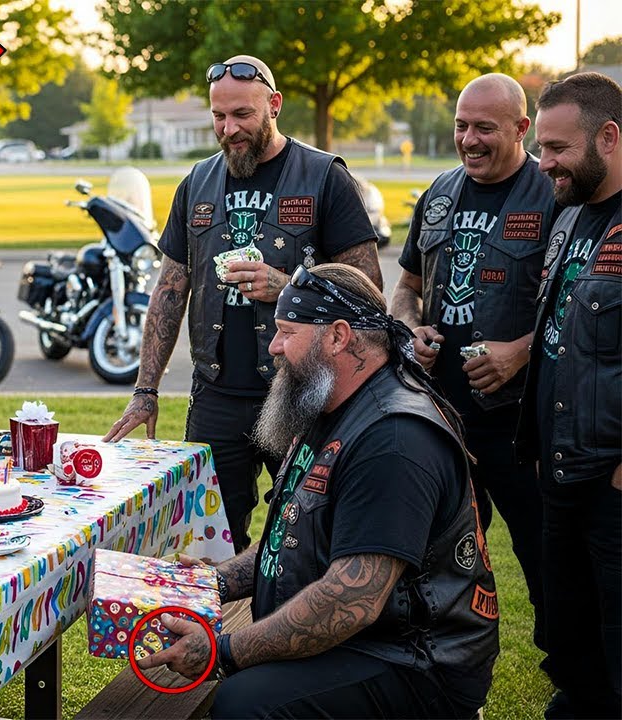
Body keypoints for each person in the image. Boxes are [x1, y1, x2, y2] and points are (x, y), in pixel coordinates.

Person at [139, 263, 499, 718]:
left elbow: (353, 597)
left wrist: (222, 651)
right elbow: (293, 534)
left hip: (416, 661)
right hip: (371, 638)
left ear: (338, 336)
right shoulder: (330, 403)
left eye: (287, 332)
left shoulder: (392, 440)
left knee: (244, 703)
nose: (273, 347)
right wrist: (213, 583)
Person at [103, 55, 383, 552]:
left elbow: (369, 292)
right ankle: (211, 632)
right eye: (218, 116)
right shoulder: (196, 183)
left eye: (242, 115)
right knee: (205, 542)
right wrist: (146, 389)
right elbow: (170, 290)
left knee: (306, 536)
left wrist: (291, 285)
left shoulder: (324, 178)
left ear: (274, 105)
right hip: (215, 395)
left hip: (301, 392)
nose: (228, 129)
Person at [389, 72, 553, 652]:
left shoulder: (554, 195)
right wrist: (409, 328)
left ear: (521, 129)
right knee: (446, 559)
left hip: (522, 424)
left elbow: (579, 311)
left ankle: (571, 667)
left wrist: (519, 352)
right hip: (441, 420)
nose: (470, 140)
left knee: (546, 555)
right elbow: (405, 286)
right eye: (462, 126)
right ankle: (455, 662)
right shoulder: (437, 194)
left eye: (486, 127)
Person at [517, 71, 621, 719]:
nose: (543, 162)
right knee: (570, 640)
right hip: (558, 472)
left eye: (557, 148)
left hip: (611, 486)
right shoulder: (570, 213)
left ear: (608, 137)